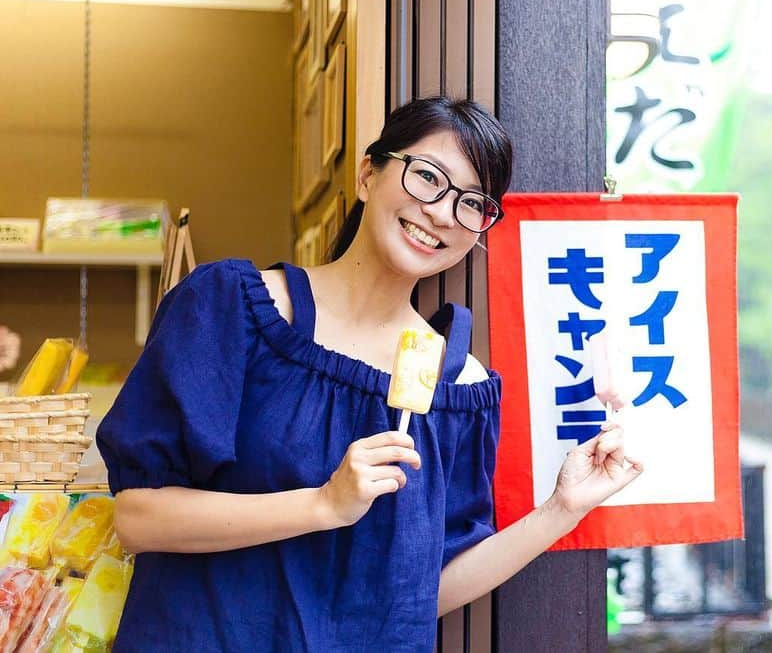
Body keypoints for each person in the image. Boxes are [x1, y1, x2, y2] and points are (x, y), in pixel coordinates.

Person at [96, 96, 643, 652]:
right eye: (428, 177)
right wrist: (323, 504)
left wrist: (560, 511)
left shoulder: (454, 381)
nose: (441, 213)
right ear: (367, 174)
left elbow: (420, 591)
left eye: (471, 203)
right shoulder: (234, 309)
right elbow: (140, 516)